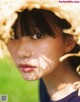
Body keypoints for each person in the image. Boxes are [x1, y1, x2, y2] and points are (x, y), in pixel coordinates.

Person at [7, 7, 80, 102]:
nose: (21, 52)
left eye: (38, 35)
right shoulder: (47, 82)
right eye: (14, 36)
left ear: (69, 42)